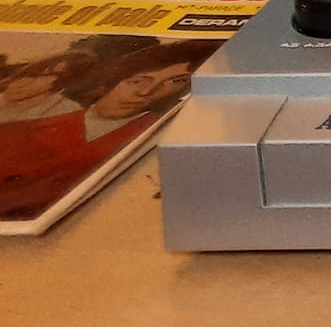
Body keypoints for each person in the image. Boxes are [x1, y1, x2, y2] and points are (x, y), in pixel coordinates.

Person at [0, 39, 212, 220]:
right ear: (113, 80)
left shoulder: (172, 139)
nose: (146, 91)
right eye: (137, 81)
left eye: (175, 82)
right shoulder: (14, 132)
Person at [0, 52, 92, 124]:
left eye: (35, 76)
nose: (22, 81)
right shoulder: (4, 99)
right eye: (25, 73)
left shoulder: (65, 113)